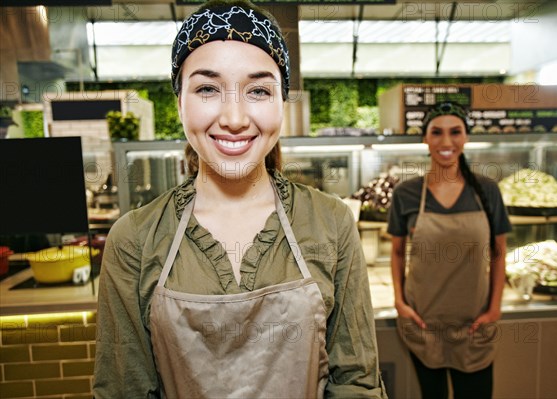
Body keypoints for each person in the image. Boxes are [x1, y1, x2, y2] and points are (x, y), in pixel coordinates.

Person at [93, 1, 387, 398]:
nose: (234, 117)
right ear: (179, 101)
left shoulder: (330, 222)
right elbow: (123, 390)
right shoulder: (135, 239)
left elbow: (357, 384)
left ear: (281, 102)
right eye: (208, 89)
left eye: (259, 90)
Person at [387, 102, 511, 399]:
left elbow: (499, 253)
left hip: (474, 324)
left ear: (466, 137)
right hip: (424, 323)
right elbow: (397, 252)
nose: (446, 142)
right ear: (425, 139)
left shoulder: (487, 190)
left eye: (455, 132)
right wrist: (400, 302)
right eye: (436, 132)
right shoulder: (406, 193)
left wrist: (494, 308)